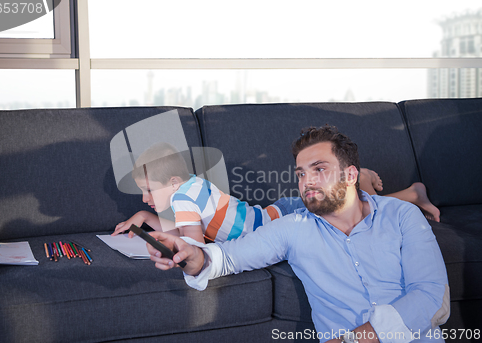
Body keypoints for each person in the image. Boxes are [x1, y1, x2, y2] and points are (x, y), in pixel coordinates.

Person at [146, 126, 450, 343]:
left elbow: (432, 297)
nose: (307, 181)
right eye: (301, 173)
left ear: (350, 174)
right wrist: (190, 254)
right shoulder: (293, 228)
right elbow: (223, 257)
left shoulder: (402, 215)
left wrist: (355, 340)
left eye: (319, 169)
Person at [112, 142, 285, 243]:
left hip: (274, 227)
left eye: (149, 190)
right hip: (274, 214)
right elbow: (184, 231)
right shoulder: (193, 184)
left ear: (173, 182)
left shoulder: (182, 199)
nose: (144, 198)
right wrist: (144, 216)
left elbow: (195, 247)